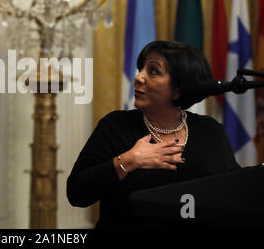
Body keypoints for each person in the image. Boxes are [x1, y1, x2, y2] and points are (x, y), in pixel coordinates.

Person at [67, 40, 240, 228]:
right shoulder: (116, 125)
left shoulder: (209, 131)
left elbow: (233, 190)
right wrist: (129, 160)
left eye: (153, 71)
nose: (138, 77)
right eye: (141, 68)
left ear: (178, 89)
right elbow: (77, 193)